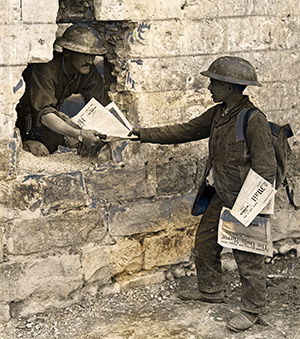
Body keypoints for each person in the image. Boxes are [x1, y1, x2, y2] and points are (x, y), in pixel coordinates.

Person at [130, 56, 277, 332]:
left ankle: (252, 309)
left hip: (244, 200)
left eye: (214, 82)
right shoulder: (218, 114)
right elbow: (183, 131)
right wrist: (139, 134)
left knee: (248, 256)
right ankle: (211, 291)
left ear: (232, 87)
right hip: (220, 194)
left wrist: (249, 206)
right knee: (206, 243)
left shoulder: (253, 119)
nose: (209, 87)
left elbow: (266, 168)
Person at [16, 24, 110, 156]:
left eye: (93, 55)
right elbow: (45, 115)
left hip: (50, 121)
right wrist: (80, 134)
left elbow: (103, 107)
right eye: (84, 54)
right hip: (22, 120)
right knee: (37, 150)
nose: (89, 60)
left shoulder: (88, 71)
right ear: (67, 52)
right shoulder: (47, 68)